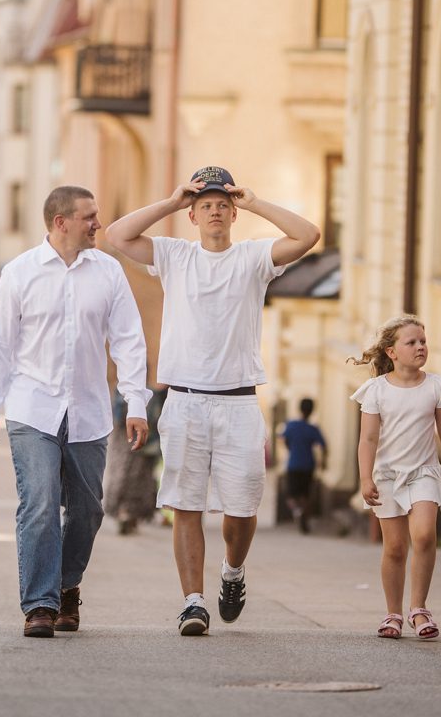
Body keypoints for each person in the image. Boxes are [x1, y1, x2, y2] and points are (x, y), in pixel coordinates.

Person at [105, 165, 320, 636]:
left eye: (223, 205)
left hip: (239, 402)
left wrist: (255, 201)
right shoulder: (173, 255)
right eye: (207, 206)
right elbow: (118, 235)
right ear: (194, 215)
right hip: (184, 400)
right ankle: (193, 602)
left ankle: (233, 573)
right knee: (186, 505)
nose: (216, 212)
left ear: (233, 212)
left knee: (243, 508)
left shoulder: (255, 257)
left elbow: (308, 235)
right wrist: (171, 201)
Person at [0, 185, 152, 639]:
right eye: (89, 216)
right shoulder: (21, 273)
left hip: (89, 411)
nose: (98, 223)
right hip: (33, 408)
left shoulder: (108, 272)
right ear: (61, 222)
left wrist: (135, 402)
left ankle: (67, 585)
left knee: (89, 510)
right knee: (39, 504)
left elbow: (129, 339)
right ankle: (39, 605)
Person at [350, 314, 441, 640]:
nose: (420, 347)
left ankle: (419, 608)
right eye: (411, 342)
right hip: (387, 476)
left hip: (424, 474)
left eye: (423, 341)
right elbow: (368, 440)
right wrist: (365, 479)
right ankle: (393, 614)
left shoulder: (436, 386)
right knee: (396, 548)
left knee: (425, 536)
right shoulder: (375, 391)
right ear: (391, 352)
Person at [104, 387, 168, 534]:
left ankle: (127, 511)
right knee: (134, 464)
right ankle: (126, 511)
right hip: (136, 406)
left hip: (139, 405)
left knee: (135, 464)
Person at [280, 398, 327, 533]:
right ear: (312, 410)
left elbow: (284, 439)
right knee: (305, 495)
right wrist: (323, 462)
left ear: (299, 408)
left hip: (293, 464)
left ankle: (297, 510)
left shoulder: (291, 425)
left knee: (290, 494)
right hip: (308, 465)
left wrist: (290, 448)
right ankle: (304, 520)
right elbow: (324, 446)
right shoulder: (313, 429)